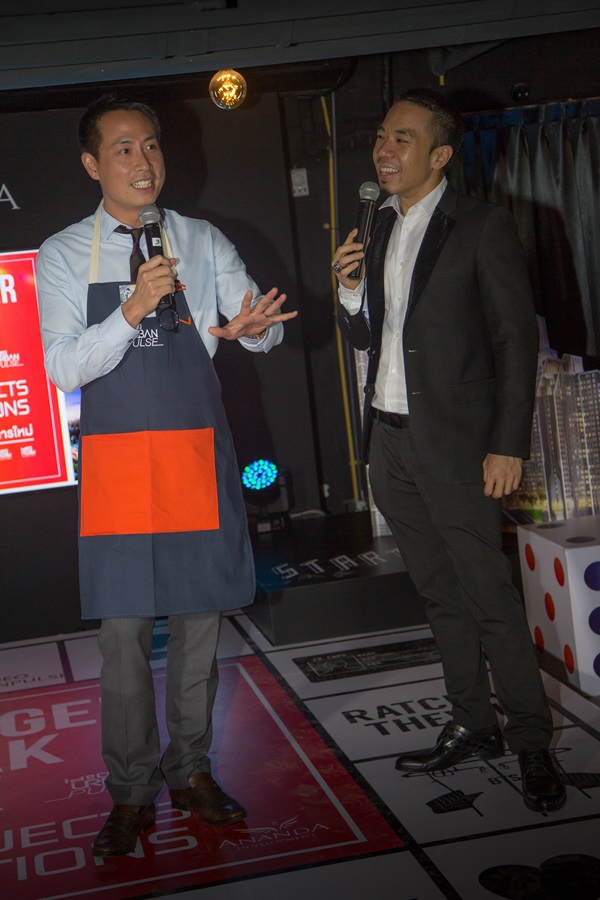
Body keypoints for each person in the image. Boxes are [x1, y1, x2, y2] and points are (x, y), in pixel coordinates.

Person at [36, 95, 297, 857]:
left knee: (197, 626)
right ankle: (130, 792)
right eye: (123, 149)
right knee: (123, 635)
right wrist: (132, 309)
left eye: (150, 145)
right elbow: (63, 367)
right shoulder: (63, 252)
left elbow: (255, 330)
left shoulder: (201, 238)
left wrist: (257, 331)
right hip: (118, 465)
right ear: (92, 164)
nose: (142, 161)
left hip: (192, 454)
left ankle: (192, 771)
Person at [331, 88, 565, 814]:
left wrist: (507, 446)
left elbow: (515, 342)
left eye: (401, 138)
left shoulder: (481, 225)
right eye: (381, 135)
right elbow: (370, 335)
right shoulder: (376, 222)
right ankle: (472, 722)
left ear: (439, 154)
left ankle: (531, 741)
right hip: (391, 441)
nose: (383, 149)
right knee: (439, 595)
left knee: (489, 596)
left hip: (461, 447)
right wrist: (349, 291)